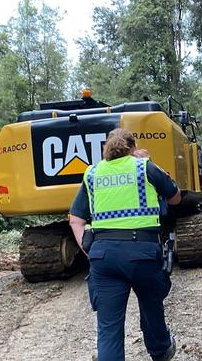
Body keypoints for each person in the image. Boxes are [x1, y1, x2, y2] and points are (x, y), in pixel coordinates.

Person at [69, 128, 180, 361]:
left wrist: (89, 250)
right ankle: (161, 351)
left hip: (104, 256)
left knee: (109, 328)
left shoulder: (93, 173)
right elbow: (175, 197)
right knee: (151, 309)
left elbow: (76, 219)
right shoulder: (144, 167)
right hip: (143, 253)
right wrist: (151, 163)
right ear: (132, 148)